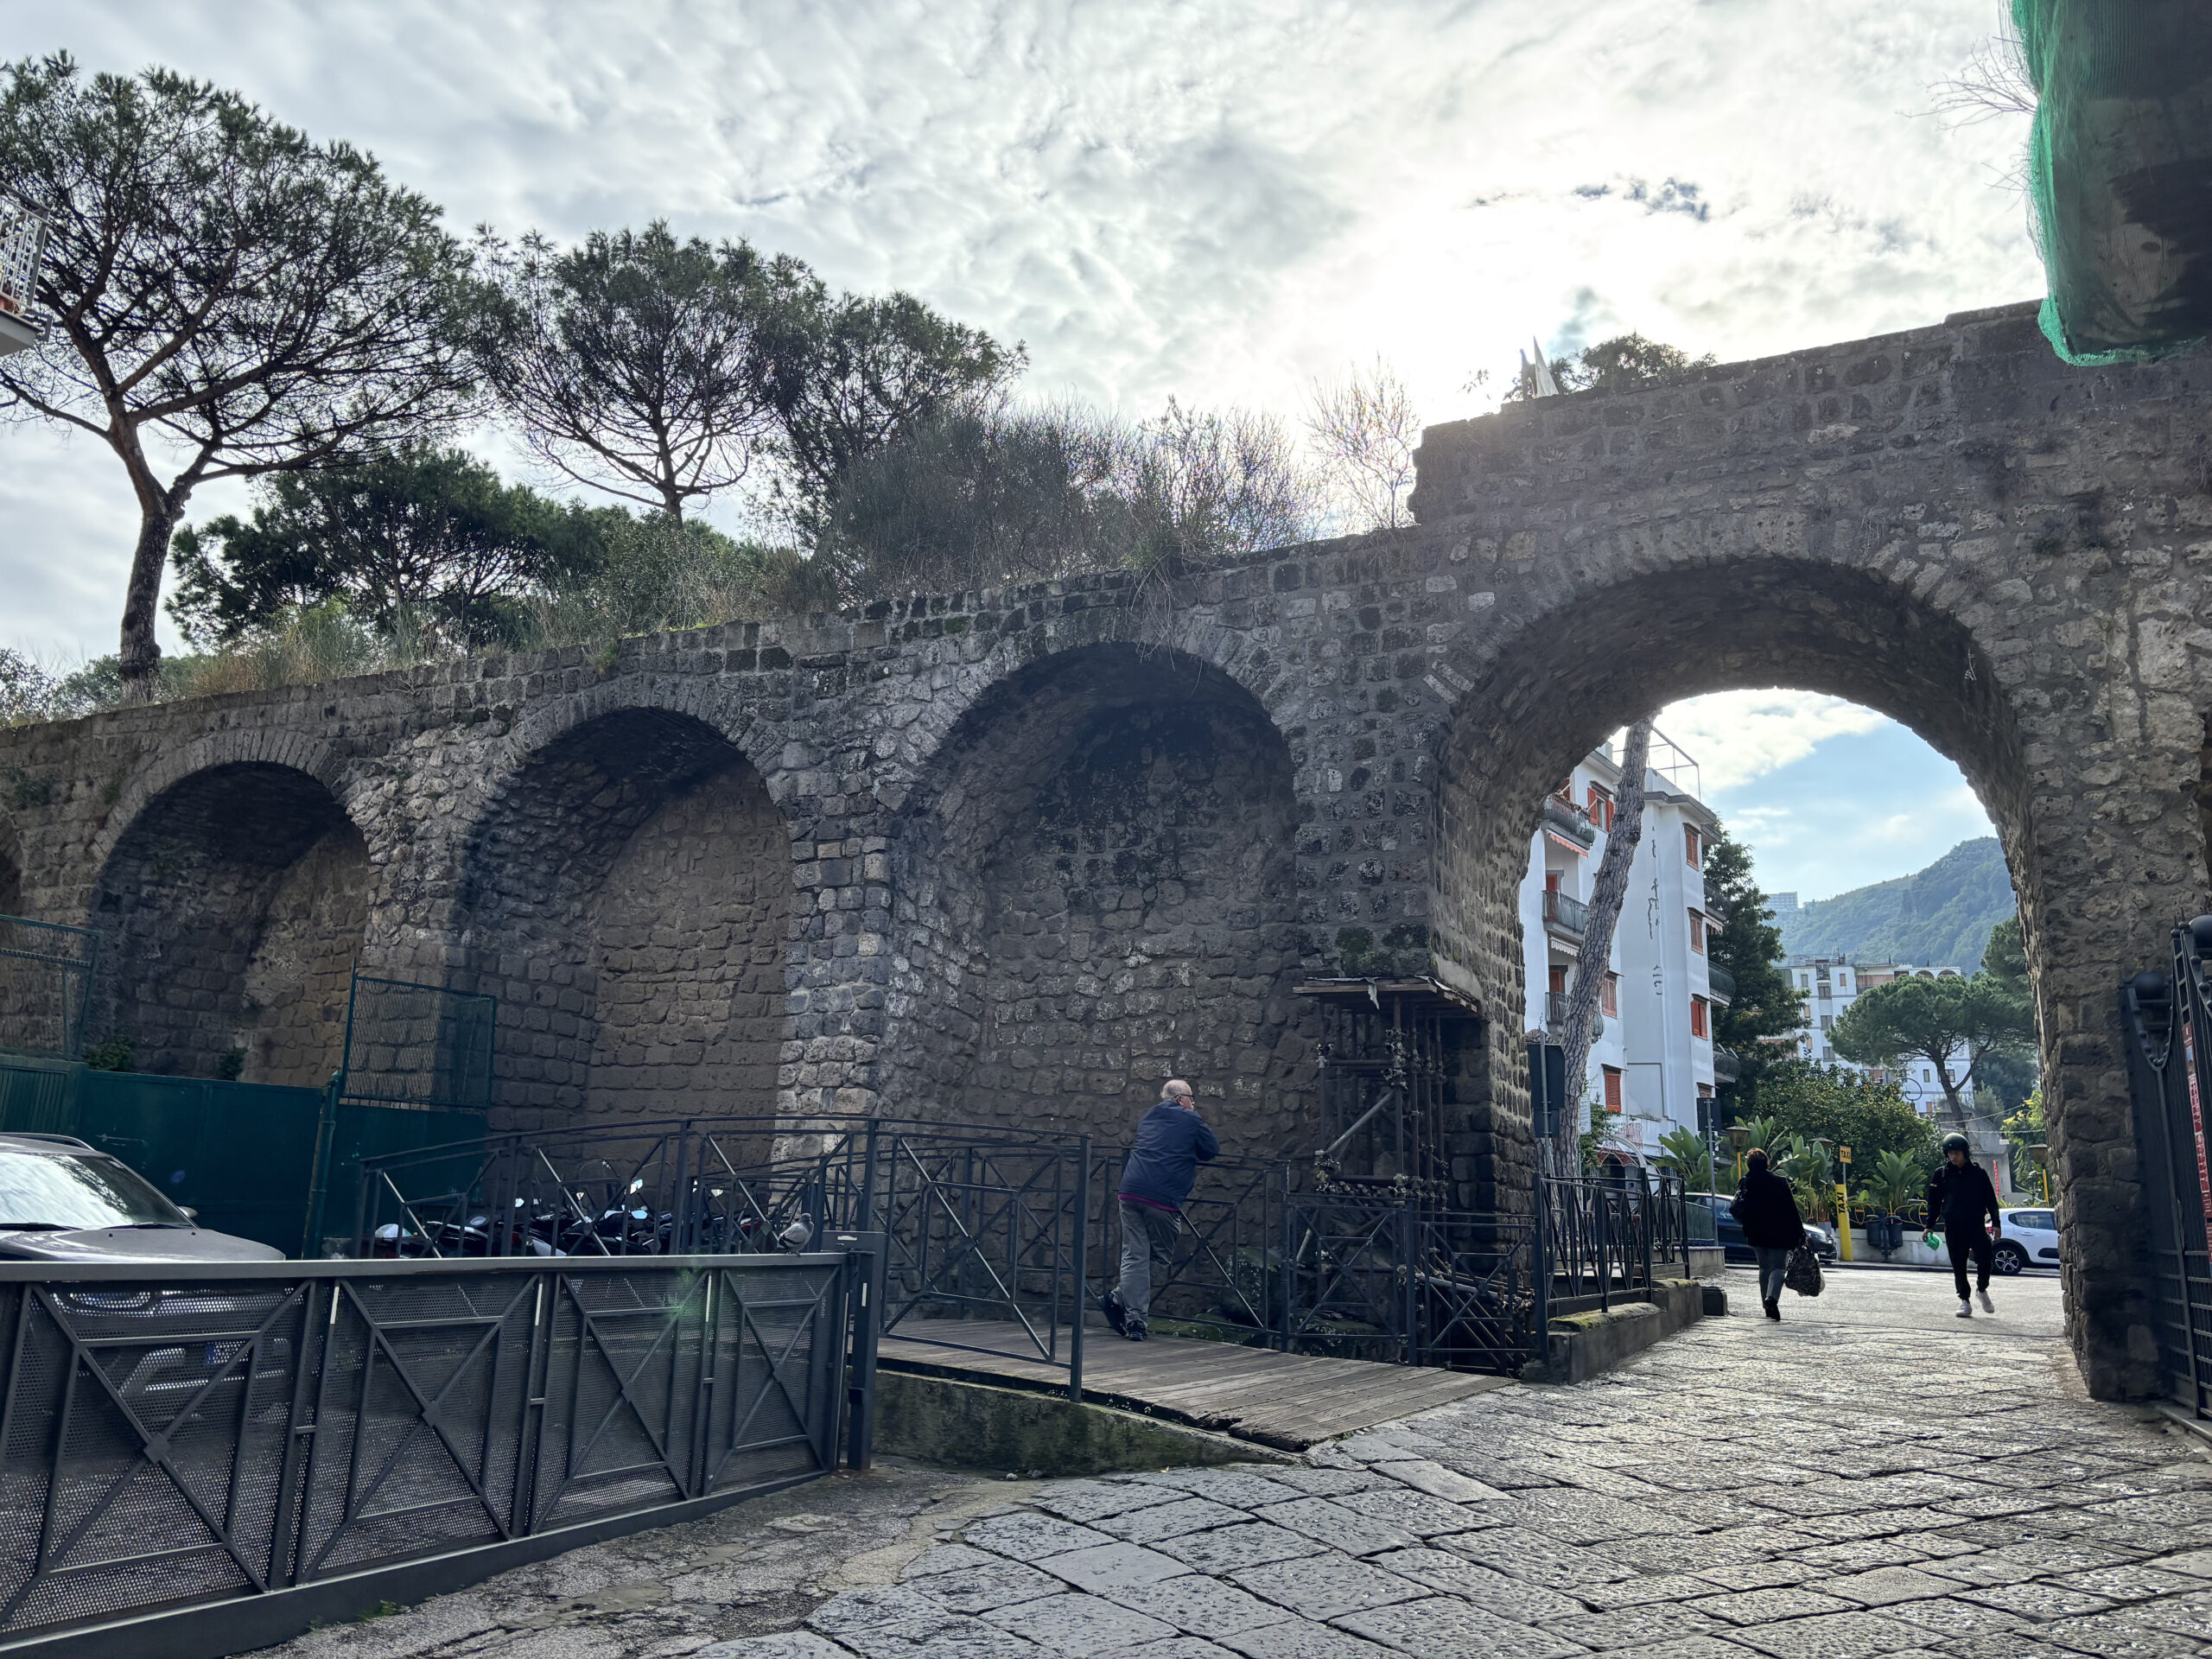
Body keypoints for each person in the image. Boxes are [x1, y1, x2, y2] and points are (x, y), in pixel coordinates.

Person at [1101, 1077, 1217, 1342]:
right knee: (1160, 1256)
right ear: (1180, 1099)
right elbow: (1211, 1150)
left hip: (1129, 1192)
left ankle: (1132, 1318)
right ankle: (1122, 1304)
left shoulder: (1148, 1116)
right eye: (1191, 1097)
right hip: (1162, 1199)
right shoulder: (1192, 1119)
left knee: (1134, 1257)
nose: (1194, 1102)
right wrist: (1193, 1119)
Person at [1928, 1131, 2002, 1318]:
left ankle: (1982, 1289)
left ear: (1965, 1153)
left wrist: (1996, 1223)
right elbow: (1934, 1202)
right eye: (1950, 1153)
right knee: (1958, 1265)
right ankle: (1964, 1301)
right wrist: (1928, 1225)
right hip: (1953, 1226)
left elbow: (1990, 1200)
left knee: (1985, 1257)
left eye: (1957, 1152)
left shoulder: (1978, 1173)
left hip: (1975, 1225)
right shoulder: (1941, 1175)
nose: (1953, 1156)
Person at [1730, 1147, 1806, 1321]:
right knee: (1779, 1268)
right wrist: (1800, 1233)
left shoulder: (1746, 1182)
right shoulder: (1780, 1182)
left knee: (1764, 1268)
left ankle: (1766, 1307)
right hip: (1780, 1233)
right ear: (1767, 1163)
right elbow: (1792, 1210)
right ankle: (1772, 1298)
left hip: (1756, 1233)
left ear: (1749, 1164)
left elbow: (1739, 1207)